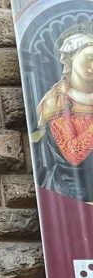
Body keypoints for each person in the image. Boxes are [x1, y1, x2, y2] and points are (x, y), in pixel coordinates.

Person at [33, 25, 93, 201]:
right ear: (71, 56)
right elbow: (72, 154)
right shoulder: (57, 100)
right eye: (89, 58)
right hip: (71, 198)